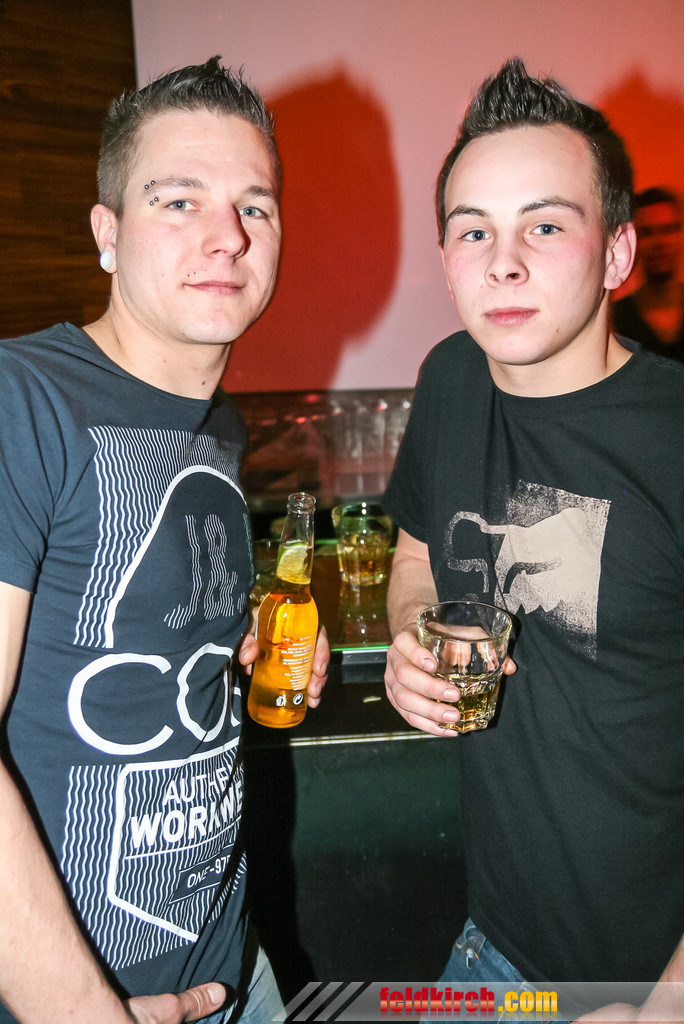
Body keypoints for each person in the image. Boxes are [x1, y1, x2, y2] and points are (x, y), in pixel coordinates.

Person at [0, 56, 328, 1024]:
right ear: (107, 233)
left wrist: (227, 646)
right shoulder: (22, 398)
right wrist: (80, 1009)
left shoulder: (214, 426)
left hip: (231, 964)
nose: (228, 235)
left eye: (254, 207)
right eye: (178, 200)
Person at [383, 59, 683, 1020]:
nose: (502, 263)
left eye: (545, 226)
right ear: (446, 259)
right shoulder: (450, 380)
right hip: (496, 953)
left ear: (617, 254)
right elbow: (417, 556)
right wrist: (413, 637)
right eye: (474, 230)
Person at [612, 186, 684, 362]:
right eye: (647, 232)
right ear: (634, 241)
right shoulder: (615, 320)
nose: (659, 243)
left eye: (668, 230)